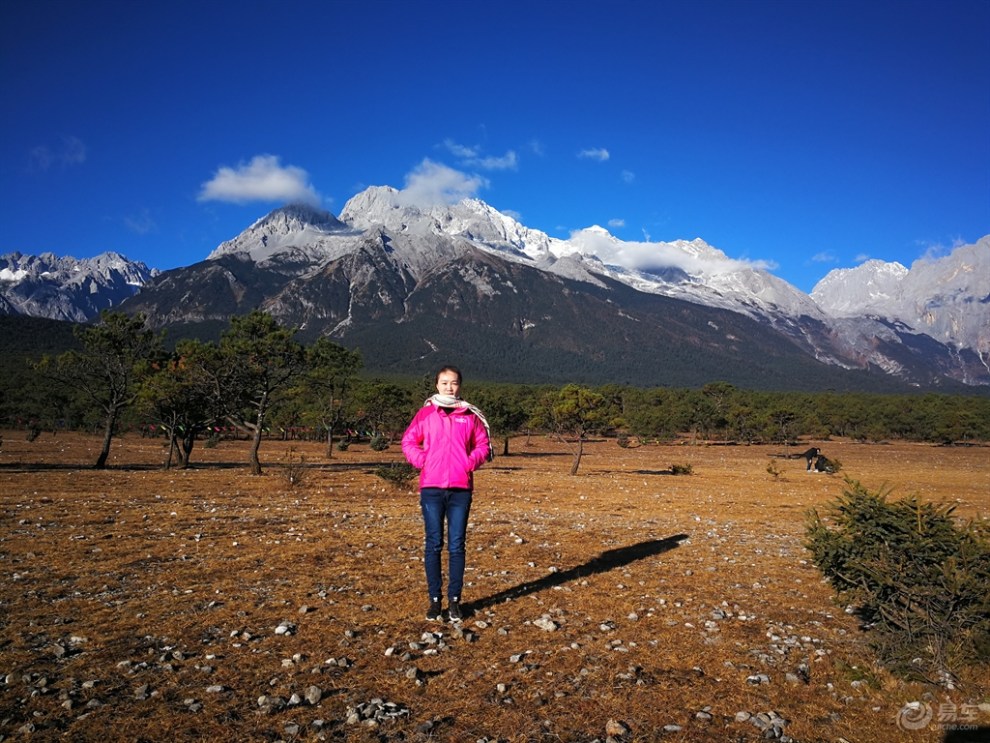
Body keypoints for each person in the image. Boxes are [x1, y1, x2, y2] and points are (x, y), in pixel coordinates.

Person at [401, 365, 491, 622]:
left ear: (459, 386)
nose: (449, 387)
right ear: (436, 385)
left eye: (453, 383)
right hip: (431, 488)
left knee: (456, 545)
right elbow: (408, 441)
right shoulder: (426, 414)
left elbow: (482, 445)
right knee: (433, 543)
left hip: (460, 490)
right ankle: (434, 600)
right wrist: (424, 461)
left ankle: (454, 601)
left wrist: (468, 462)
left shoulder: (470, 415)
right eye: (444, 383)